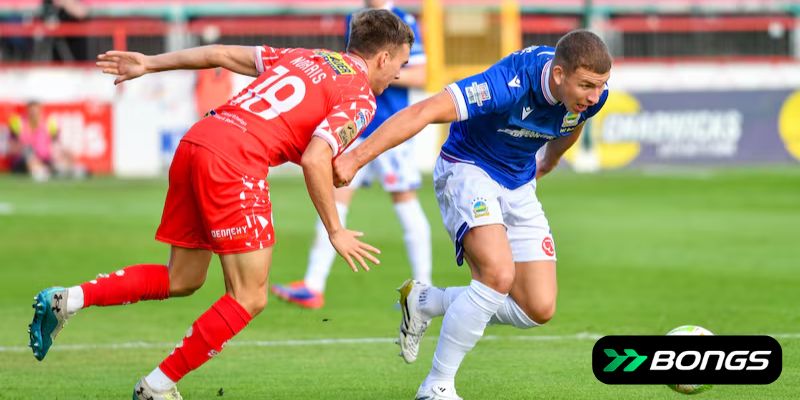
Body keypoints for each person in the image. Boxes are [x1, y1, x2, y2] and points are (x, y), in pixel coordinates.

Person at [27, 9, 413, 400]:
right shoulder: (360, 95)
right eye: (400, 64)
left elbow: (221, 53)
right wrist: (335, 229)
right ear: (383, 58)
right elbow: (316, 158)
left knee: (183, 278)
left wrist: (149, 63)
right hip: (235, 161)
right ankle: (156, 386)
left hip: (198, 141)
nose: (398, 74)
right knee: (250, 295)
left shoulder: (305, 56)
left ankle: (68, 299)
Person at [333, 30, 612, 399]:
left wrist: (550, 160)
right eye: (587, 86)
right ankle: (436, 386)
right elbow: (423, 112)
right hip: (468, 168)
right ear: (559, 75)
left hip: (518, 181)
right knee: (497, 275)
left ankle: (425, 301)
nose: (594, 96)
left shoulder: (593, 96)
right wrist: (355, 157)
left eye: (601, 86)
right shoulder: (507, 84)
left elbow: (572, 124)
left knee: (538, 308)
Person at [272, 0, 431, 309]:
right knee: (334, 198)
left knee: (405, 201)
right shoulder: (356, 19)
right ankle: (313, 285)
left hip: (389, 129)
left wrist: (386, 70)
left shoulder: (404, 21)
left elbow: (422, 74)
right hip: (354, 125)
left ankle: (423, 288)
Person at [7, 101, 79, 181]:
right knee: (28, 150)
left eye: (36, 111)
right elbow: (12, 146)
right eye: (31, 111)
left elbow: (57, 144)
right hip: (23, 161)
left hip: (44, 159)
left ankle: (65, 170)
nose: (34, 114)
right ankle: (40, 170)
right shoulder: (18, 123)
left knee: (64, 154)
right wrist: (24, 149)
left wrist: (64, 153)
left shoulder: (49, 123)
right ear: (27, 111)